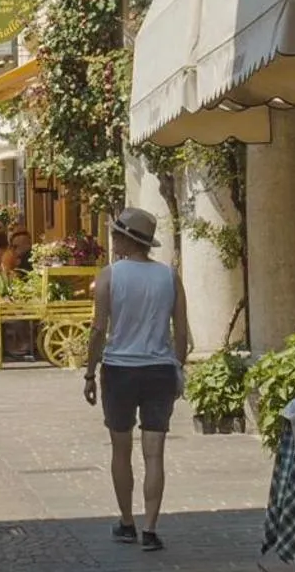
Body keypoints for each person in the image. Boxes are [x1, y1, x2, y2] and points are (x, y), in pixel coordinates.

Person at [82, 207, 188, 553]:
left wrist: (89, 371)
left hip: (120, 369)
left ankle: (127, 522)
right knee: (154, 452)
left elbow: (99, 329)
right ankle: (151, 528)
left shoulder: (110, 276)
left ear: (125, 239)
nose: (111, 239)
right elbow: (182, 330)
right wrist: (179, 366)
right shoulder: (169, 276)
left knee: (121, 448)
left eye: (114, 234)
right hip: (158, 369)